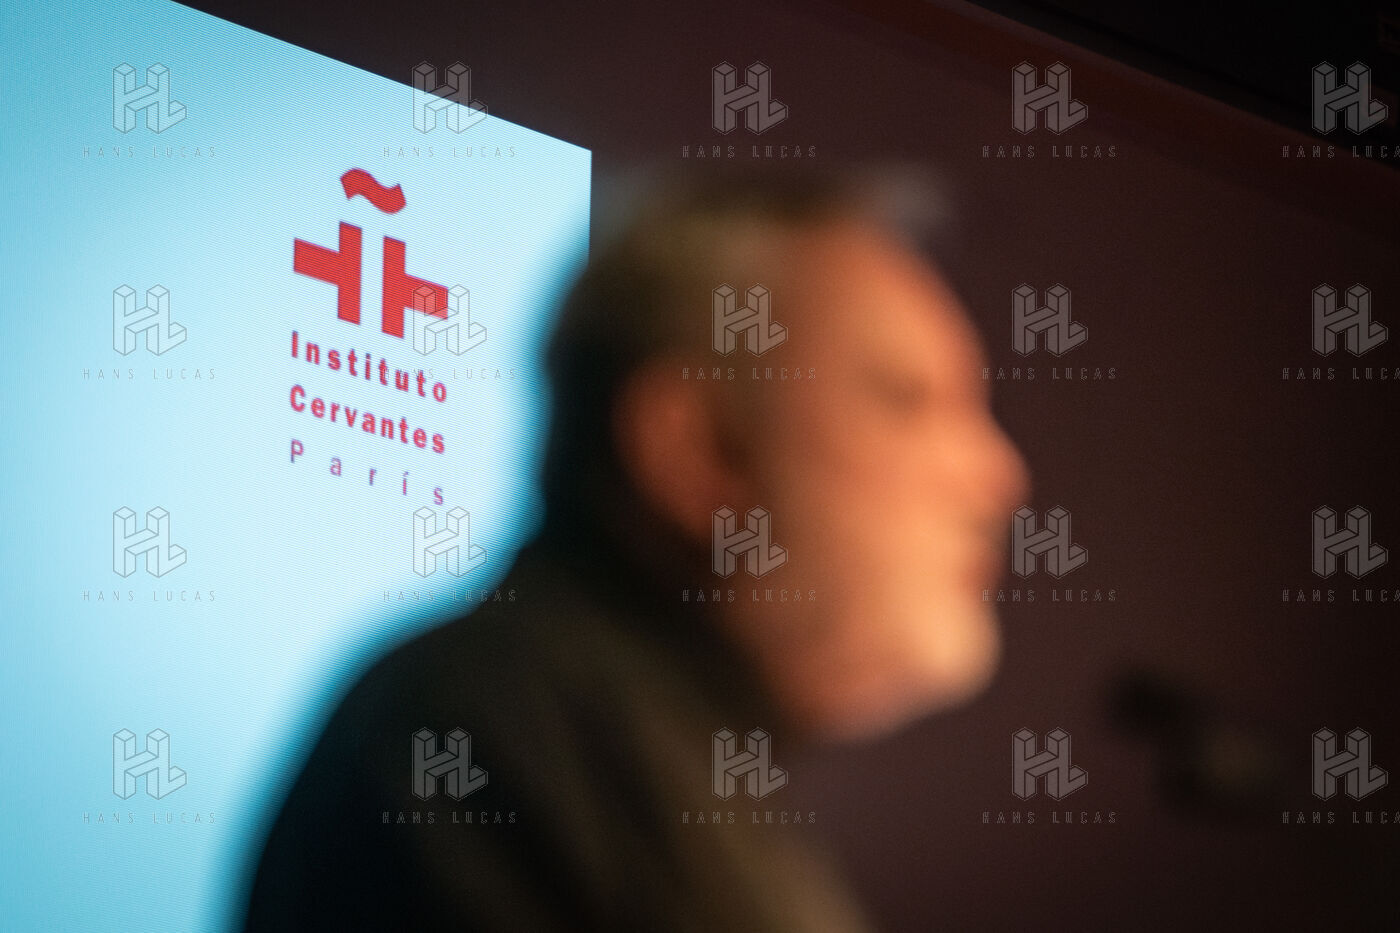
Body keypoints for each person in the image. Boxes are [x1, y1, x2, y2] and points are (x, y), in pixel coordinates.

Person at [242, 170, 1028, 931]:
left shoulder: (651, 768)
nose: (1000, 476)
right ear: (695, 449)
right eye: (906, 398)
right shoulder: (487, 728)